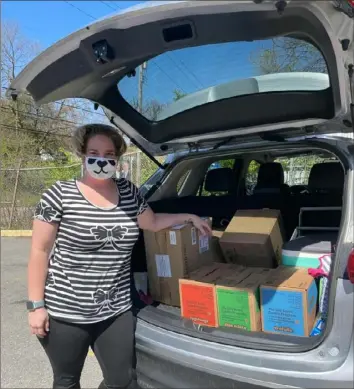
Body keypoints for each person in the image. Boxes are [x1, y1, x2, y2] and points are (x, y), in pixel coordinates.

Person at [27, 123, 211, 389]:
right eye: (94, 152)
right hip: (65, 312)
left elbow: (152, 222)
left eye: (109, 154)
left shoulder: (128, 192)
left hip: (115, 310)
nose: (101, 160)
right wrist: (36, 306)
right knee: (66, 382)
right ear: (82, 154)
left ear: (117, 158)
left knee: (122, 381)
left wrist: (189, 216)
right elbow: (39, 251)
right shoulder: (59, 195)